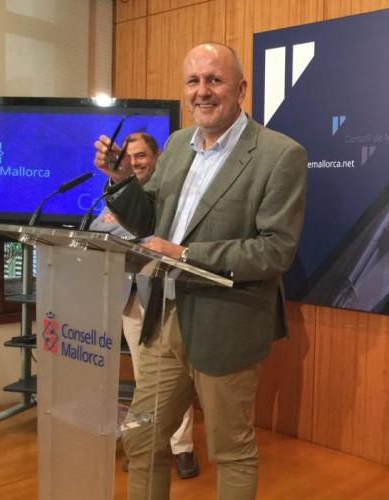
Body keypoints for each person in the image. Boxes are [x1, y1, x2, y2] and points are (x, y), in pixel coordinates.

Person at [93, 42, 307, 500]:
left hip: (226, 325)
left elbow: (275, 250)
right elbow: (149, 220)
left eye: (214, 80)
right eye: (193, 81)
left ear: (240, 89)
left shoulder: (279, 154)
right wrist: (122, 180)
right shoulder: (175, 146)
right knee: (142, 440)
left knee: (230, 451)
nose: (202, 91)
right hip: (164, 320)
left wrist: (185, 253)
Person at [90, 132, 200, 479]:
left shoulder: (169, 192)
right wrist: (132, 233)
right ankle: (149, 445)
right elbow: (97, 228)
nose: (135, 162)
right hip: (130, 300)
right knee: (145, 380)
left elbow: (166, 239)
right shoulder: (119, 192)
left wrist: (128, 232)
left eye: (141, 156)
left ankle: (182, 447)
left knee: (172, 378)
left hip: (166, 298)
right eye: (130, 156)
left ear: (157, 158)